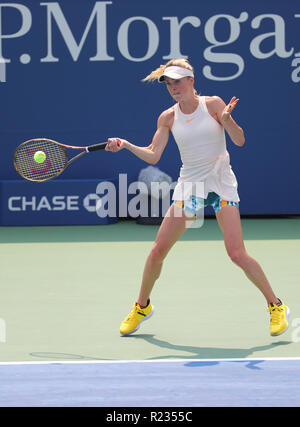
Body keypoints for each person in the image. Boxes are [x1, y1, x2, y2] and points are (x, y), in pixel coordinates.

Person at [105, 58, 289, 338]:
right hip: (190, 187)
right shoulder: (167, 117)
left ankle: (276, 306)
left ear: (191, 80)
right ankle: (142, 306)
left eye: (178, 81)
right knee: (157, 251)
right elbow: (154, 153)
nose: (173, 87)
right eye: (168, 83)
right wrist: (127, 145)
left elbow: (239, 141)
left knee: (236, 253)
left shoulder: (213, 104)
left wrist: (227, 121)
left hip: (221, 184)